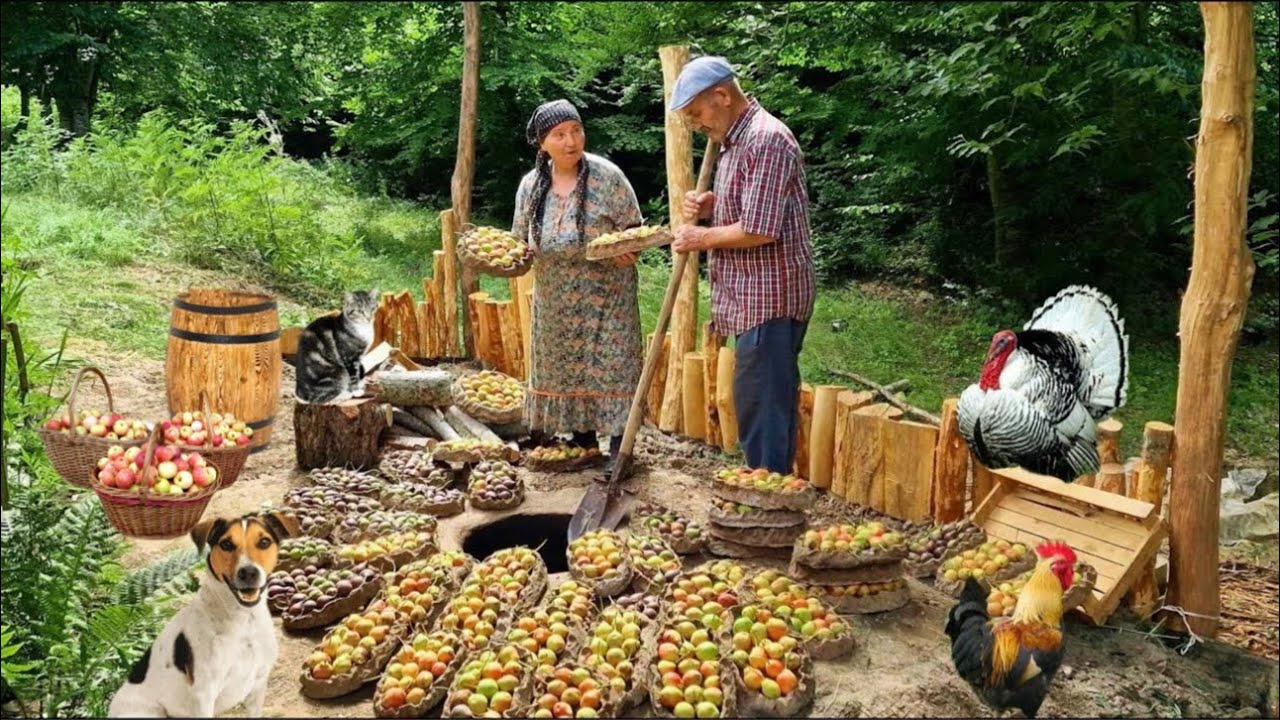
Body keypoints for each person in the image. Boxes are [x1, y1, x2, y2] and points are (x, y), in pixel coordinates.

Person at [669, 56, 816, 474]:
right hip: (752, 298)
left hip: (771, 298)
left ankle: (768, 505)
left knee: (765, 411)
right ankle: (764, 492)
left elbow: (759, 228)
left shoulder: (767, 139)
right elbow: (751, 207)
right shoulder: (734, 142)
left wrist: (699, 237)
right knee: (756, 403)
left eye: (697, 112)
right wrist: (713, 205)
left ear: (722, 95)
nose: (697, 124)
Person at [512, 99, 645, 480]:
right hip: (555, 299)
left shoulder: (608, 177)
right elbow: (519, 241)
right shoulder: (531, 186)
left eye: (576, 131)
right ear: (542, 144)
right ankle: (582, 443)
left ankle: (621, 449)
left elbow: (635, 229)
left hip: (607, 296)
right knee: (565, 370)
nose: (571, 141)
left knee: (615, 365)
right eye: (559, 135)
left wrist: (627, 248)